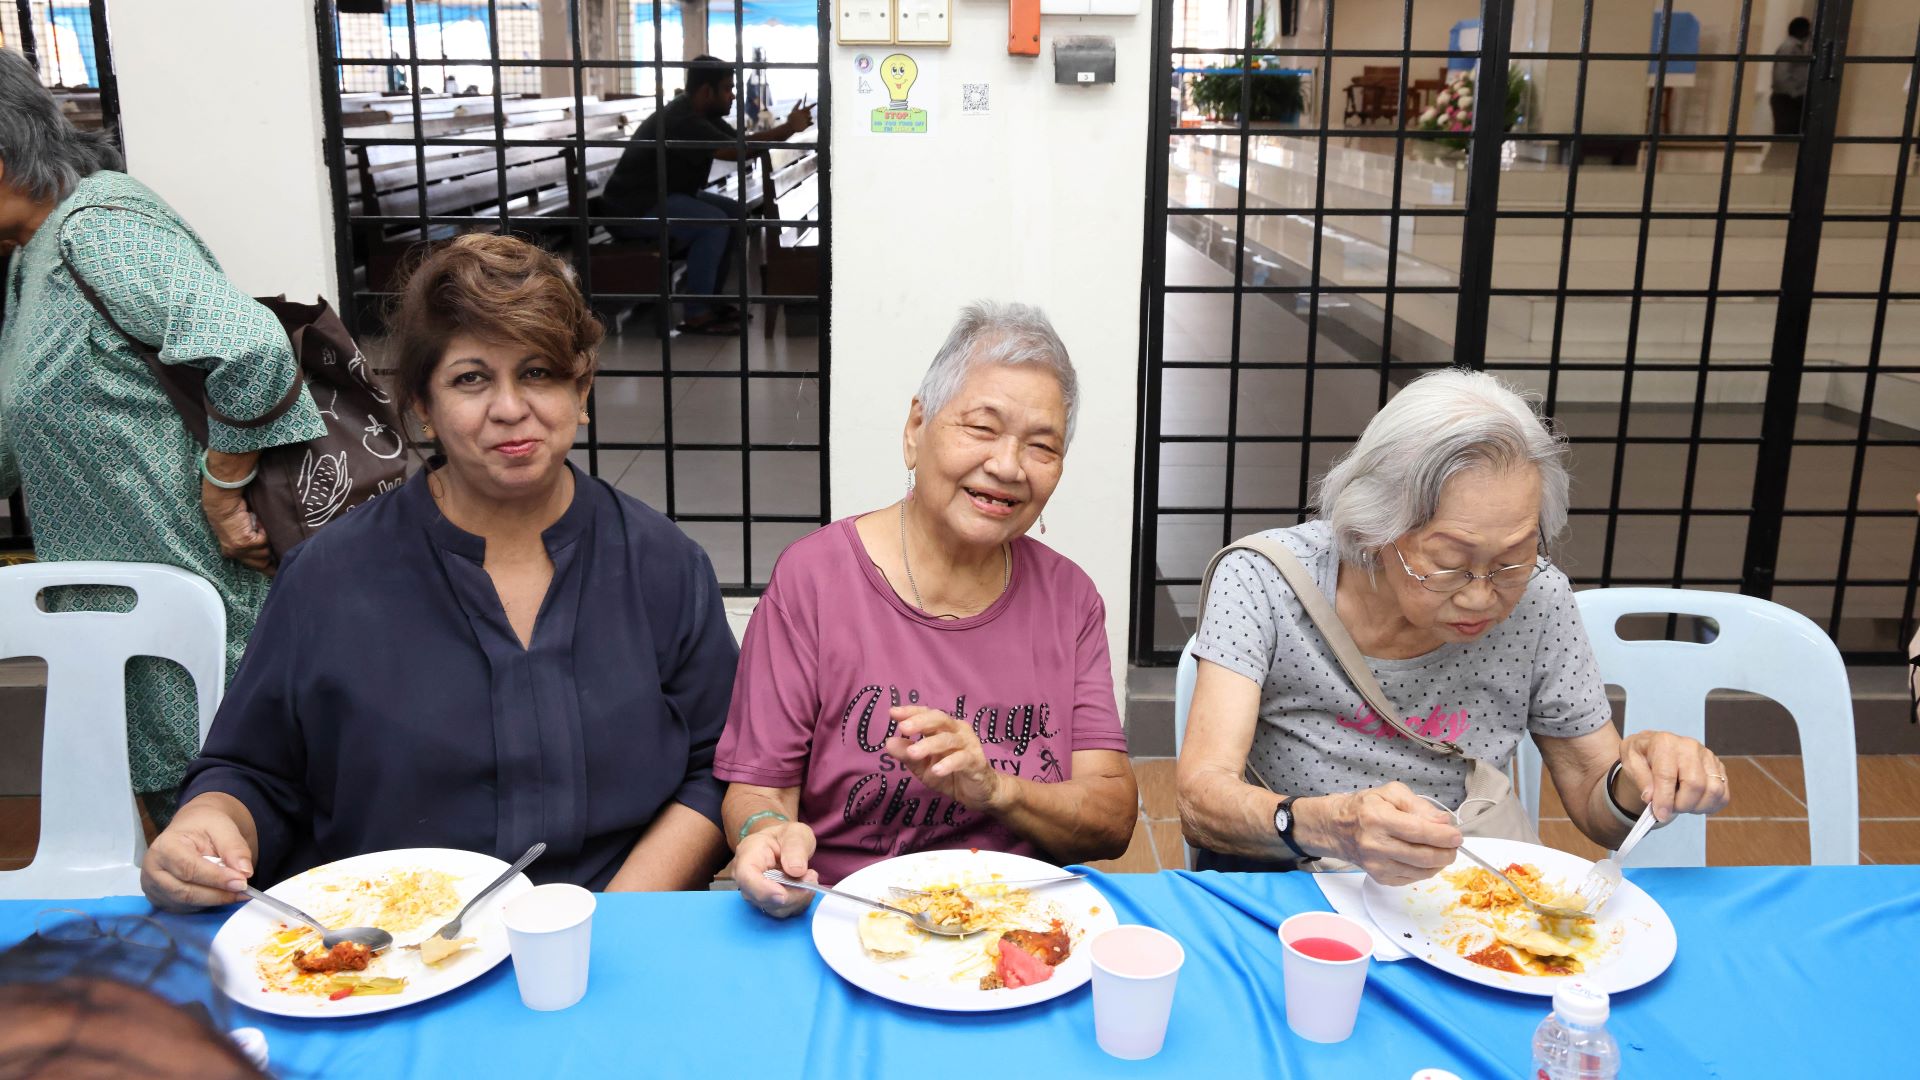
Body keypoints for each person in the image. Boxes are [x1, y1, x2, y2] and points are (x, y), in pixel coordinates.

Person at [138, 235, 739, 907]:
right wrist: (207, 823)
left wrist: (608, 919)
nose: (510, 408)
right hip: (386, 941)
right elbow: (252, 772)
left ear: (582, 387)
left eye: (539, 372)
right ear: (422, 405)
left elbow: (719, 768)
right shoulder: (331, 578)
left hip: (612, 929)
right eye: (471, 379)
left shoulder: (661, 565)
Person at [1176, 370, 1730, 884]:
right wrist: (1330, 826)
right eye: (1449, 563)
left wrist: (1642, 780)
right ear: (1373, 528)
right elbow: (1202, 801)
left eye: (1512, 558)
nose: (1481, 595)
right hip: (1295, 887)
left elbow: (1595, 799)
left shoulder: (1540, 598)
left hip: (1461, 897)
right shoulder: (1263, 582)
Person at [718, 302, 1137, 918]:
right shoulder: (813, 582)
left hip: (1014, 924)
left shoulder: (1069, 599)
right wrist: (768, 835)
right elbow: (757, 790)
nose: (1007, 466)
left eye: (1041, 446)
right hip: (850, 919)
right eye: (982, 427)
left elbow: (1112, 818)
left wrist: (996, 790)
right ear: (917, 427)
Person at [0, 47, 327, 824]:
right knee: (188, 824)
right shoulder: (30, 258)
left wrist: (223, 490)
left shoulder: (97, 229)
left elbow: (250, 348)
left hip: (197, 597)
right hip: (127, 605)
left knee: (233, 816)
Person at [599, 55, 813, 336]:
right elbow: (736, 151)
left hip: (663, 197)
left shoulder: (702, 114)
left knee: (734, 213)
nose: (733, 95)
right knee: (714, 223)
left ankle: (710, 299)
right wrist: (788, 128)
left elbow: (738, 143)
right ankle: (697, 313)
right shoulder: (682, 119)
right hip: (632, 210)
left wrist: (786, 128)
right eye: (727, 89)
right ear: (706, 91)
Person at [1771, 17, 1812, 138]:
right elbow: (1781, 75)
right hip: (1787, 100)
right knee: (1787, 139)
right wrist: (1795, 94)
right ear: (1801, 30)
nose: (1810, 33)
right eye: (1808, 29)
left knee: (1791, 138)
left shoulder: (1796, 47)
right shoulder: (1789, 47)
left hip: (1790, 99)